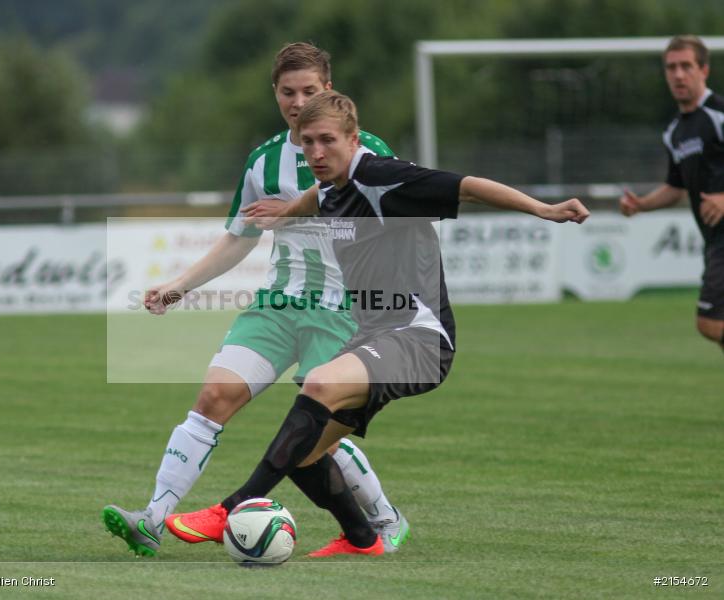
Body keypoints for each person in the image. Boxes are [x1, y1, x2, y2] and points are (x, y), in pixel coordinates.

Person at [166, 90, 589, 557]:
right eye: (307, 143)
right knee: (305, 455)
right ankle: (363, 539)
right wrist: (286, 210)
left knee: (319, 384)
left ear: (353, 138)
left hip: (419, 336)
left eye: (327, 140)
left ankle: (233, 506)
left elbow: (468, 185)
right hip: (374, 335)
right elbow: (316, 198)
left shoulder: (381, 176)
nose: (316, 153)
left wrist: (543, 210)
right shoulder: (329, 184)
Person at [103, 44, 408, 557]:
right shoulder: (263, 161)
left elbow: (392, 228)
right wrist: (180, 285)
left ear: (329, 88)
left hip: (343, 309)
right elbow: (239, 238)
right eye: (288, 92)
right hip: (277, 305)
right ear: (275, 94)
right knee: (212, 399)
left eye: (310, 90)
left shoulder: (367, 150)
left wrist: (296, 214)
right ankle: (151, 519)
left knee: (321, 435)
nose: (298, 101)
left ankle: (384, 519)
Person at [619, 35, 724, 355]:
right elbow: (676, 188)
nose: (678, 74)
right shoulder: (674, 131)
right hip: (714, 240)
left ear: (703, 70)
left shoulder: (719, 115)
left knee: (710, 322)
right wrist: (642, 205)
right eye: (671, 67)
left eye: (686, 66)